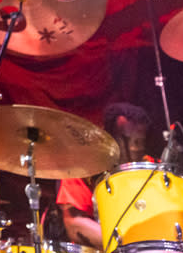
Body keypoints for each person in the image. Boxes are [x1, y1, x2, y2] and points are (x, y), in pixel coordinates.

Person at [57, 103, 152, 249]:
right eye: (130, 140)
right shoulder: (84, 169)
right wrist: (130, 247)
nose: (136, 148)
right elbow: (75, 224)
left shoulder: (151, 168)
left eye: (141, 141)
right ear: (110, 137)